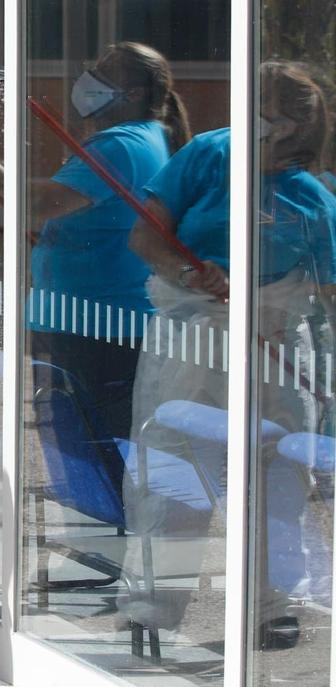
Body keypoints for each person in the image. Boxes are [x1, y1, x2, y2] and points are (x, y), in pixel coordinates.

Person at [125, 60, 336, 647]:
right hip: (192, 341)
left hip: (272, 349)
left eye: (278, 124)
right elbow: (146, 237)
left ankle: (270, 606)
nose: (266, 135)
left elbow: (329, 292)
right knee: (173, 468)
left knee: (277, 477)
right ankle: (151, 603)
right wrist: (189, 272)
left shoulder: (312, 198)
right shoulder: (209, 155)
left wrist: (282, 312)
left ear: (297, 130)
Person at [28, 42, 191, 446]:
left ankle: (105, 514)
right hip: (94, 321)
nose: (89, 77)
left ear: (134, 94)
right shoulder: (144, 137)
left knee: (91, 450)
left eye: (105, 72)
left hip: (99, 326)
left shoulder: (120, 144)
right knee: (94, 447)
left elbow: (42, 202)